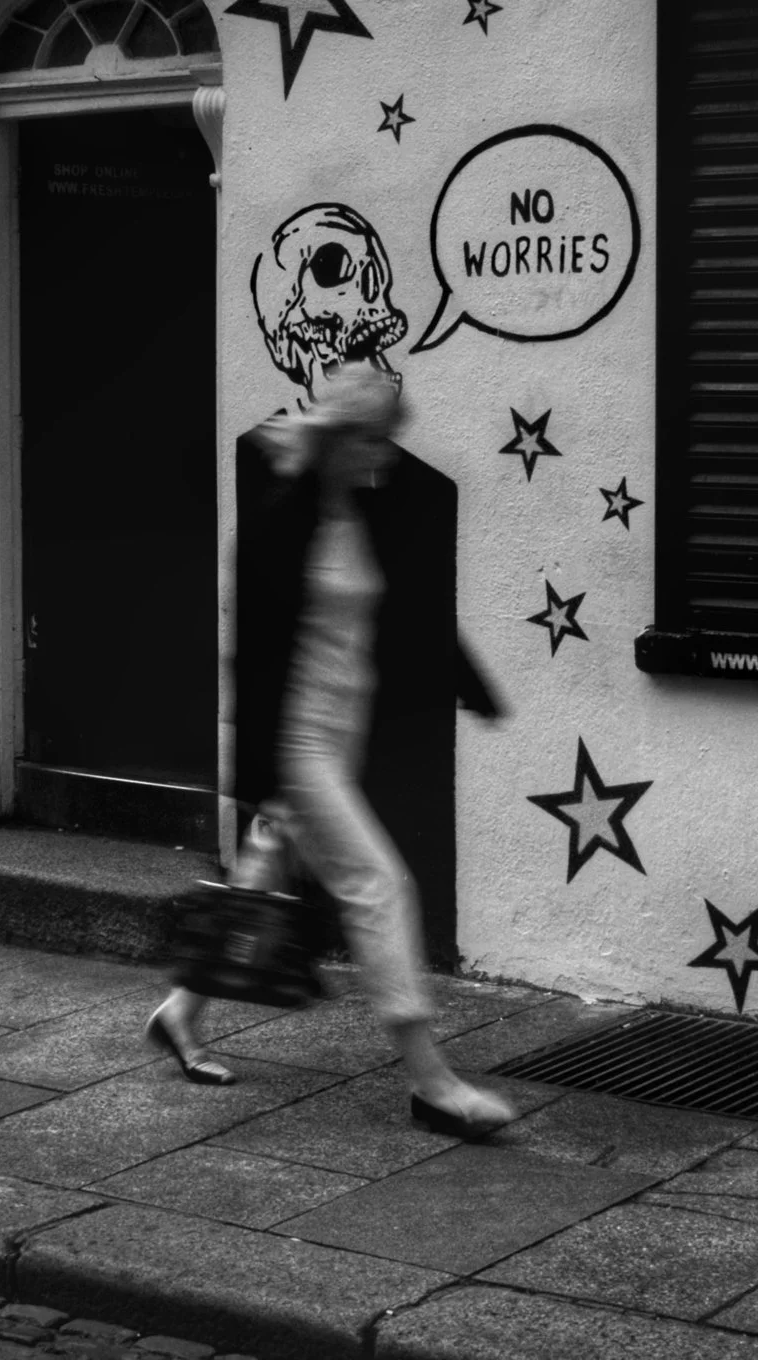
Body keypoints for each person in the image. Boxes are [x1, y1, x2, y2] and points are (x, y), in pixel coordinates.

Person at [144, 358, 516, 1140]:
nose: (385, 456)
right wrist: (259, 774)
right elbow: (248, 656)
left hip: (338, 731)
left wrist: (472, 685)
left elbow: (409, 607)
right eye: (374, 441)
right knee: (379, 886)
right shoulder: (283, 518)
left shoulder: (361, 511)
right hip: (299, 741)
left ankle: (179, 1014)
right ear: (341, 438)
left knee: (263, 873)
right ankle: (431, 1082)